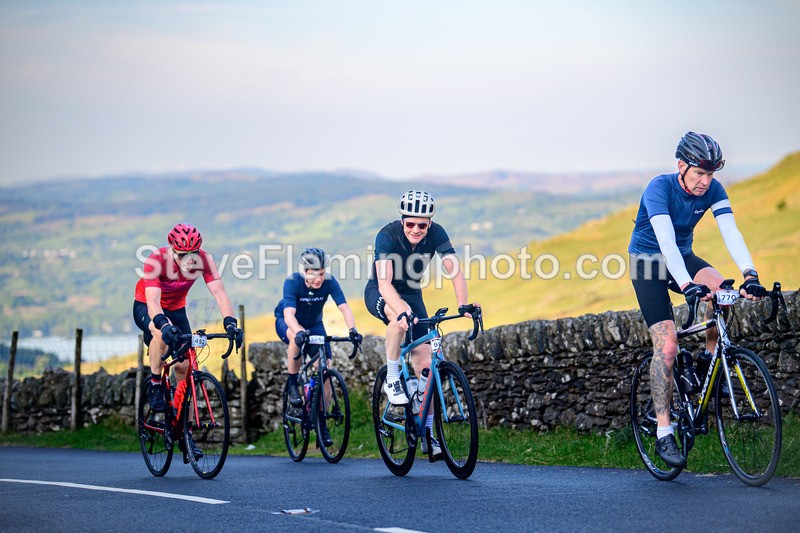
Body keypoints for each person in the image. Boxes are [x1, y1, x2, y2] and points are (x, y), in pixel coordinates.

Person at [628, 132, 767, 468]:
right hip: (648, 262)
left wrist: (750, 275)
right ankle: (664, 432)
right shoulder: (659, 188)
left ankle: (707, 362)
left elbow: (731, 232)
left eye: (710, 175)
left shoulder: (714, 190)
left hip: (683, 257)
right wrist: (687, 284)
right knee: (668, 345)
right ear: (681, 166)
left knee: (723, 291)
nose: (706, 182)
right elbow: (665, 242)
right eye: (699, 174)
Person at [364, 190, 479, 457]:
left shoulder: (437, 233)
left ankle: (427, 434)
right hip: (381, 291)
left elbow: (455, 271)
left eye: (422, 225)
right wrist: (401, 309)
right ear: (402, 221)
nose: (416, 229)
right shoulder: (387, 235)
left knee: (426, 363)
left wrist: (463, 305)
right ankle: (392, 377)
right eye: (410, 224)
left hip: (413, 293)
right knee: (397, 318)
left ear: (429, 224)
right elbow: (384, 283)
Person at [133, 223, 243, 459]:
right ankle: (154, 382)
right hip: (148, 307)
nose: (190, 260)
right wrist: (162, 323)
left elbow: (220, 293)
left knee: (187, 369)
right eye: (184, 255)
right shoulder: (156, 260)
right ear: (173, 250)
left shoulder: (205, 260)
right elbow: (153, 301)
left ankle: (186, 432)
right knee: (160, 334)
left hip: (177, 310)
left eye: (193, 254)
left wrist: (231, 323)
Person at [275, 247, 361, 447]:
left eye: (322, 273)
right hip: (288, 321)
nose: (319, 279)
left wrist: (353, 329)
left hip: (315, 325)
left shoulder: (329, 282)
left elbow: (344, 306)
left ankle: (321, 421)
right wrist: (298, 331)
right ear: (305, 272)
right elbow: (288, 314)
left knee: (326, 371)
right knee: (294, 337)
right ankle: (293, 384)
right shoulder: (292, 281)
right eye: (314, 274)